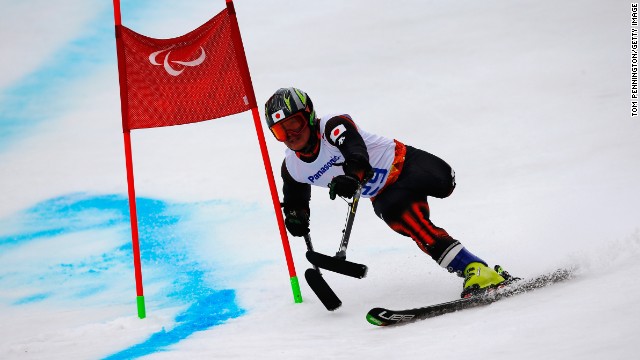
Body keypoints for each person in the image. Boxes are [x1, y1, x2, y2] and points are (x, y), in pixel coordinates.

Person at [264, 87, 515, 298]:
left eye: (293, 123)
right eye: (280, 131)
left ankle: (478, 268)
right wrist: (297, 217)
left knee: (445, 182)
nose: (290, 135)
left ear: (308, 116)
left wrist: (352, 176)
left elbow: (355, 151)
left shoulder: (333, 126)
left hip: (406, 164)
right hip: (386, 194)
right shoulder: (293, 167)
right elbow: (296, 201)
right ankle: (475, 269)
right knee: (409, 223)